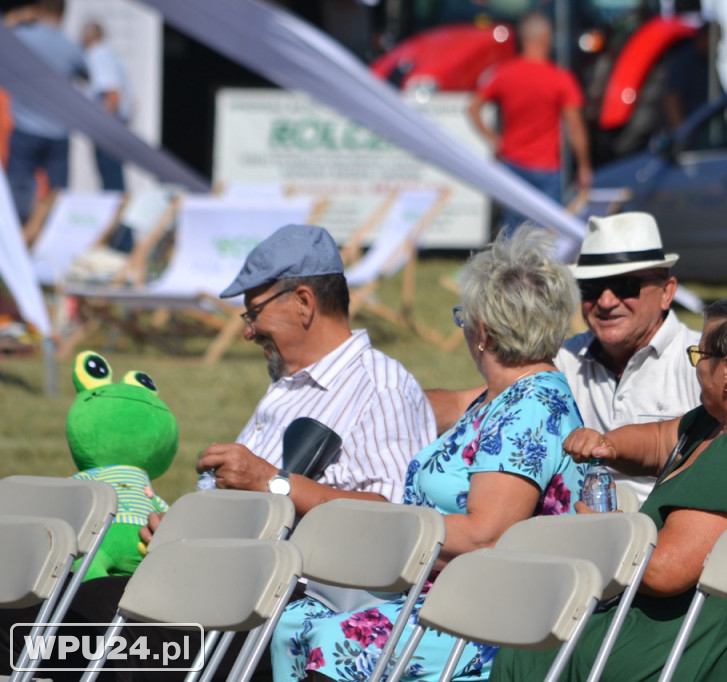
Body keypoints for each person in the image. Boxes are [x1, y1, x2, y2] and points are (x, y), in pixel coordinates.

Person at [0, 223, 437, 680]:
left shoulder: (379, 387)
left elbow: (395, 523)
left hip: (275, 609)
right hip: (220, 587)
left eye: (253, 313)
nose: (248, 332)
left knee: (82, 617)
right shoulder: (291, 387)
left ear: (304, 302)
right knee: (29, 605)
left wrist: (273, 483)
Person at [271, 226, 587, 682]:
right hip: (443, 593)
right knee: (293, 624)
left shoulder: (531, 410)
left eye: (464, 318)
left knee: (338, 641)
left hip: (497, 612)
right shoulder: (500, 397)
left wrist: (384, 530)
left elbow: (485, 534)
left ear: (483, 331)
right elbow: (434, 405)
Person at [490, 295, 727, 681]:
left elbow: (664, 571)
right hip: (724, 639)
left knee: (530, 650)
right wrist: (608, 445)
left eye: (700, 355)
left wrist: (608, 532)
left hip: (711, 652)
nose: (697, 366)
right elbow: (663, 440)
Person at [428, 212, 702, 505]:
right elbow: (478, 404)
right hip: (584, 530)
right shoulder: (566, 357)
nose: (606, 302)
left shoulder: (701, 362)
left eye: (625, 287)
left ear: (666, 292)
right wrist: (393, 405)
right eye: (592, 288)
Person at [467, 10, 592, 228]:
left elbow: (472, 108)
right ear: (547, 38)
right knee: (547, 233)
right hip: (547, 167)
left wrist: (493, 139)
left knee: (513, 233)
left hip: (512, 162)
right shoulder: (560, 78)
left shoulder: (503, 73)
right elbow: (575, 127)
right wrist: (584, 166)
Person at [5, 0, 87, 223]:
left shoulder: (22, 37)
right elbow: (87, 78)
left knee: (19, 193)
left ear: (39, 9)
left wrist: (18, 17)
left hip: (25, 128)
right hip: (58, 132)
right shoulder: (71, 47)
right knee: (59, 195)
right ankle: (53, 239)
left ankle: (20, 243)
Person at [81, 20, 132, 191]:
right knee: (113, 181)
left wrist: (102, 126)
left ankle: (116, 217)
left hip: (108, 128)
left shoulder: (97, 55)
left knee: (112, 184)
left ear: (88, 37)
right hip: (115, 124)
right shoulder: (108, 54)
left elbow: (113, 94)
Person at [663, 22, 719, 131]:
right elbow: (672, 98)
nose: (717, 46)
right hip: (694, 133)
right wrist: (683, 132)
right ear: (706, 38)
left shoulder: (707, 62)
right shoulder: (685, 61)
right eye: (717, 40)